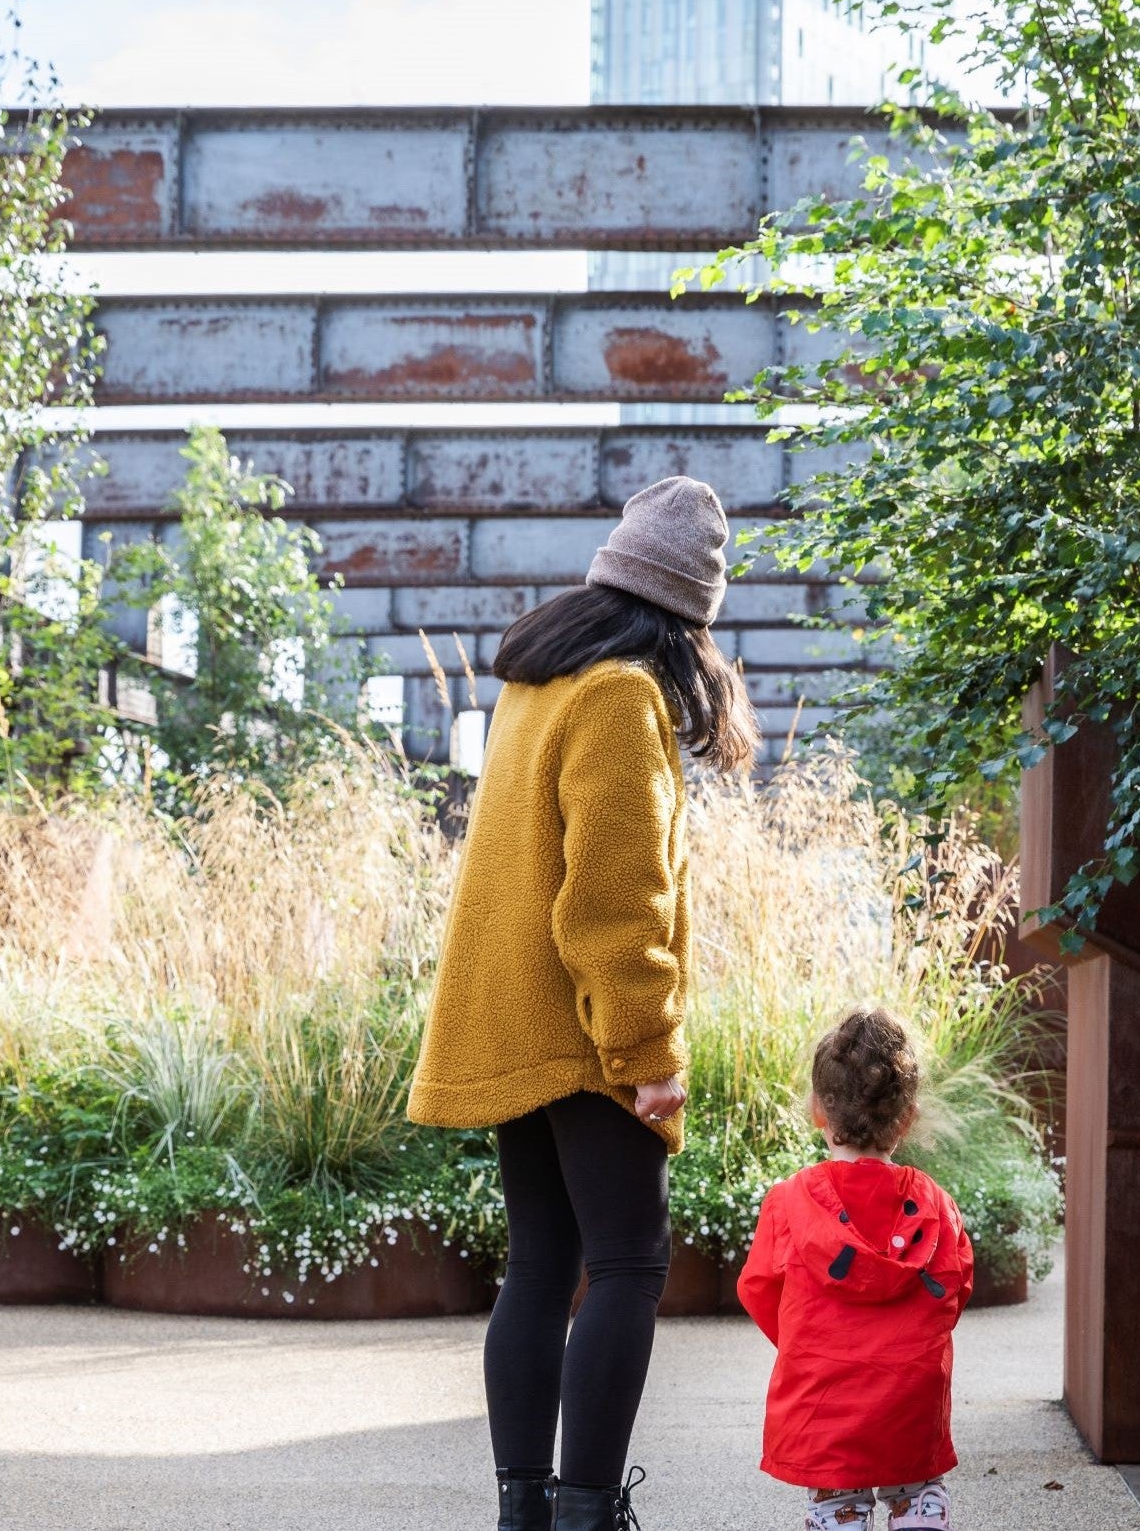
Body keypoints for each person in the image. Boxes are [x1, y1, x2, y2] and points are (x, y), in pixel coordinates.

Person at [406, 475, 759, 1531]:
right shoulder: (620, 695)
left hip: (514, 1018)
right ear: (688, 615)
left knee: (541, 1264)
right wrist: (647, 1048)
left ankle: (528, 1510)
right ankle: (587, 1512)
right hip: (583, 1031)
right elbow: (613, 899)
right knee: (625, 1263)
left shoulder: (538, 682)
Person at [736, 1008, 974, 1531]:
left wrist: (808, 1339)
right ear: (907, 1116)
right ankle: (918, 1513)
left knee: (836, 1500)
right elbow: (955, 1287)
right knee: (917, 1486)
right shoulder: (935, 1203)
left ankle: (842, 1518)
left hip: (825, 1398)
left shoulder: (790, 1203)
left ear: (819, 1109)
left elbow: (758, 1289)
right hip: (909, 1396)